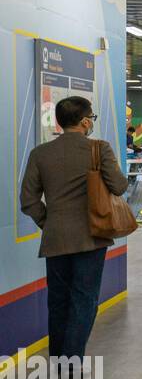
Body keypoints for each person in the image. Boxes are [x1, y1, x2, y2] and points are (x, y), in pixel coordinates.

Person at [20, 96, 128, 361]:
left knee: (58, 301)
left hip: (55, 238)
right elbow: (120, 186)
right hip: (92, 236)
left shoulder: (39, 153)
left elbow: (28, 200)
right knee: (84, 300)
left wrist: (49, 221)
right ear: (84, 121)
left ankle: (59, 358)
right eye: (92, 117)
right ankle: (71, 359)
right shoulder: (98, 149)